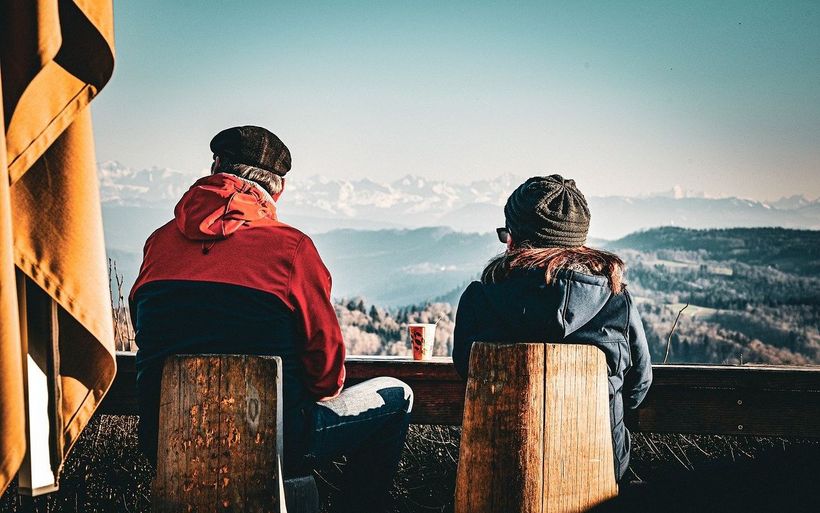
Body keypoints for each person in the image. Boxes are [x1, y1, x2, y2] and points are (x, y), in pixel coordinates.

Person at [129, 125, 412, 512]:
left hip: (165, 440)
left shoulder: (157, 243)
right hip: (275, 443)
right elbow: (327, 372)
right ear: (277, 190)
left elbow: (144, 332)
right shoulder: (292, 249)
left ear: (215, 168)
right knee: (397, 395)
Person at [453, 175, 652, 482]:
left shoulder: (480, 300)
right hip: (598, 469)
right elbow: (637, 388)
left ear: (513, 239)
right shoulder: (616, 303)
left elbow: (468, 374)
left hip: (499, 472)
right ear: (579, 241)